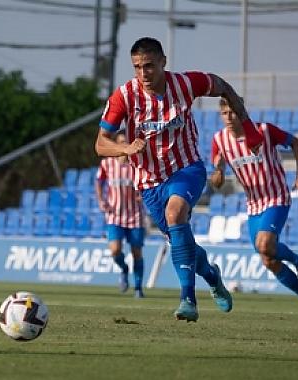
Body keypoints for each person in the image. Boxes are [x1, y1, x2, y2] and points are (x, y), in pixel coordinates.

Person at [95, 37, 262, 322]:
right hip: (148, 182)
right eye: (137, 67)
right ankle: (212, 276)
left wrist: (247, 126)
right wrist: (125, 148)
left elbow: (223, 86)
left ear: (163, 62)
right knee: (178, 238)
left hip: (186, 168)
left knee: (176, 214)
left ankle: (188, 299)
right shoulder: (124, 97)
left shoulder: (187, 83)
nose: (143, 73)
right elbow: (100, 144)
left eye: (149, 65)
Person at [210, 98, 298, 317]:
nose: (229, 117)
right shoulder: (219, 140)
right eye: (225, 113)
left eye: (233, 112)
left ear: (242, 112)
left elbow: (296, 143)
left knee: (264, 244)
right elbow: (217, 177)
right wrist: (217, 174)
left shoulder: (264, 131)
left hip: (276, 197)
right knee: (268, 259)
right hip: (253, 205)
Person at [95, 133, 147, 298]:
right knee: (115, 250)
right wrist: (101, 200)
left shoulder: (137, 164)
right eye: (121, 142)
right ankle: (124, 269)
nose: (125, 145)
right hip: (115, 215)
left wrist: (142, 193)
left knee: (137, 252)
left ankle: (138, 288)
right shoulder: (107, 164)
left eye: (126, 142)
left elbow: (147, 182)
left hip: (135, 215)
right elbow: (99, 181)